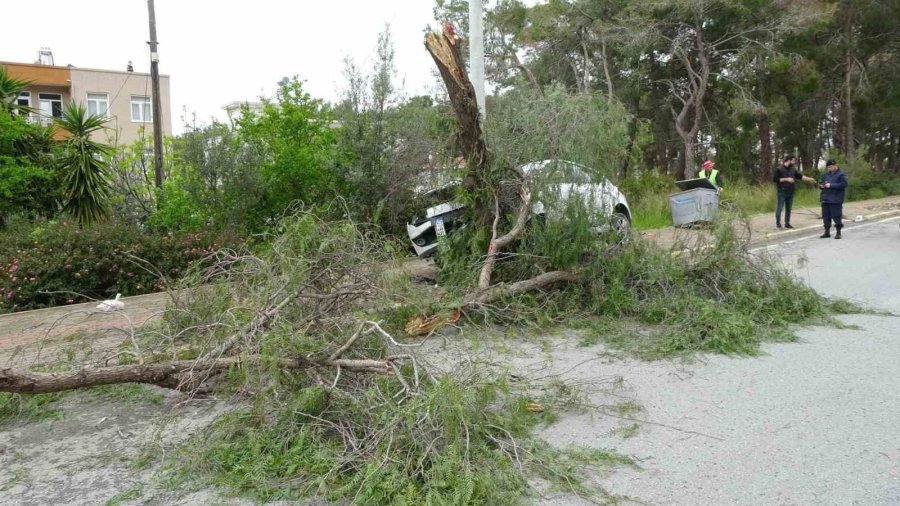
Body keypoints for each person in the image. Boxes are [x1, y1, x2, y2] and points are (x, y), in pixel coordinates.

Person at [773, 155, 816, 229]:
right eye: (793, 161)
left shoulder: (793, 169)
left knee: (788, 209)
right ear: (788, 160)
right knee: (780, 208)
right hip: (782, 192)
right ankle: (778, 223)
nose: (794, 162)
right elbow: (775, 179)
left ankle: (787, 223)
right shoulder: (779, 169)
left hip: (791, 192)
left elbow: (800, 176)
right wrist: (787, 179)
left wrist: (810, 179)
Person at [818, 159, 849, 239]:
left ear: (836, 165)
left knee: (836, 216)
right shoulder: (826, 175)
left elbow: (844, 184)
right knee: (826, 216)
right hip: (825, 198)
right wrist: (821, 185)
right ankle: (827, 232)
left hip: (836, 199)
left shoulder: (841, 174)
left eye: (831, 167)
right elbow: (821, 183)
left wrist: (831, 185)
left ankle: (838, 232)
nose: (830, 169)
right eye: (828, 167)